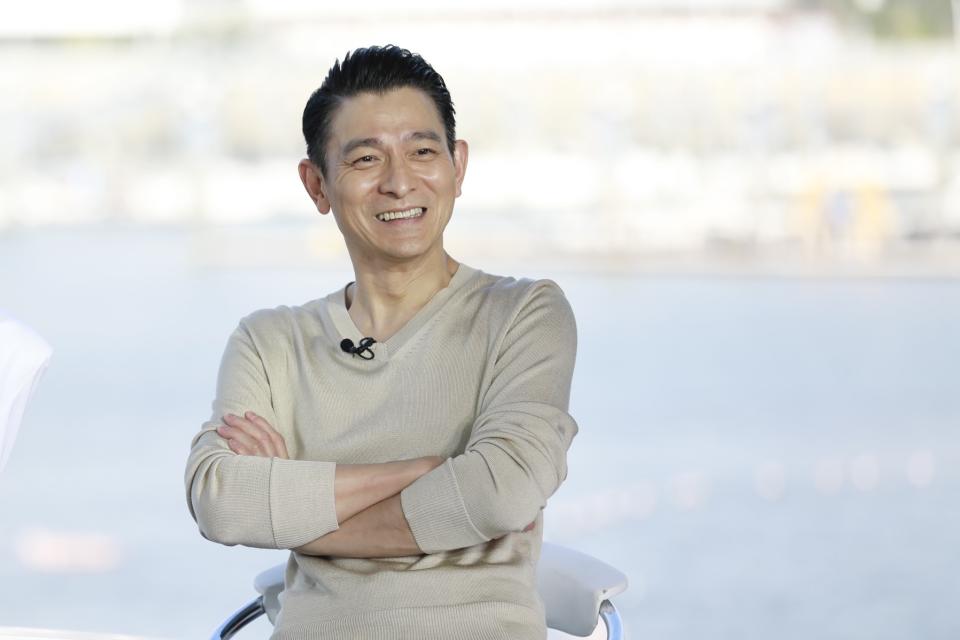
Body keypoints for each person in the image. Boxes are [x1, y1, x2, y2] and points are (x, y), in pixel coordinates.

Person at [184, 45, 578, 639]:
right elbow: (221, 500)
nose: (399, 182)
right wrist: (435, 470)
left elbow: (501, 492)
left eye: (423, 152)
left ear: (458, 166)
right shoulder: (271, 341)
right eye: (366, 159)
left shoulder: (524, 313)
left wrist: (295, 507)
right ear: (317, 184)